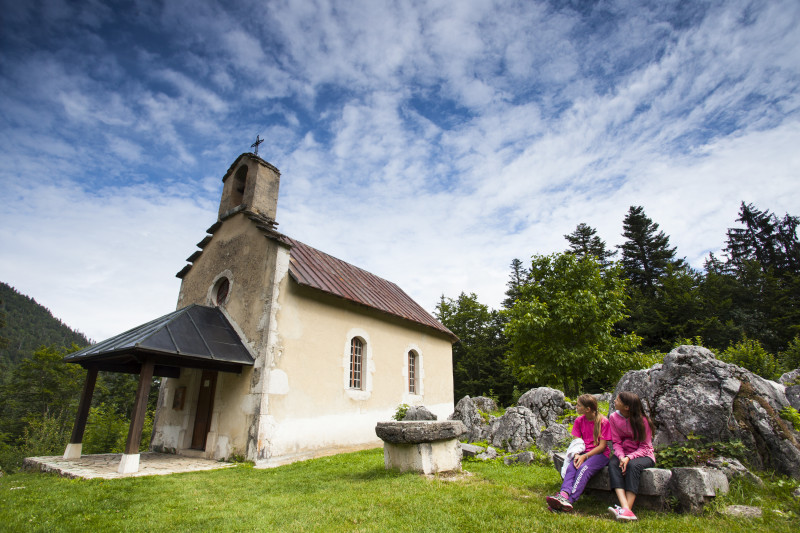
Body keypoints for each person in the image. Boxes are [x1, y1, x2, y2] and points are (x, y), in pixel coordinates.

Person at [546, 394, 611, 512]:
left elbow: (602, 447)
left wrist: (585, 456)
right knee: (572, 467)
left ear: (588, 409)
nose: (576, 407)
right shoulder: (579, 421)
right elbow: (577, 441)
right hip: (582, 452)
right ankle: (563, 494)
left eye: (579, 405)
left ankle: (569, 500)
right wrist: (577, 455)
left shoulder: (603, 421)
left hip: (599, 455)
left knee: (583, 469)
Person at [607, 391, 655, 522]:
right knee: (613, 464)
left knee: (633, 466)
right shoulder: (613, 418)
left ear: (627, 407)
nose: (614, 401)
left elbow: (645, 447)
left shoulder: (643, 421)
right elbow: (616, 442)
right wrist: (622, 456)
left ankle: (626, 510)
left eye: (617, 400)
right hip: (623, 453)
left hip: (644, 455)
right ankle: (625, 508)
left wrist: (629, 458)